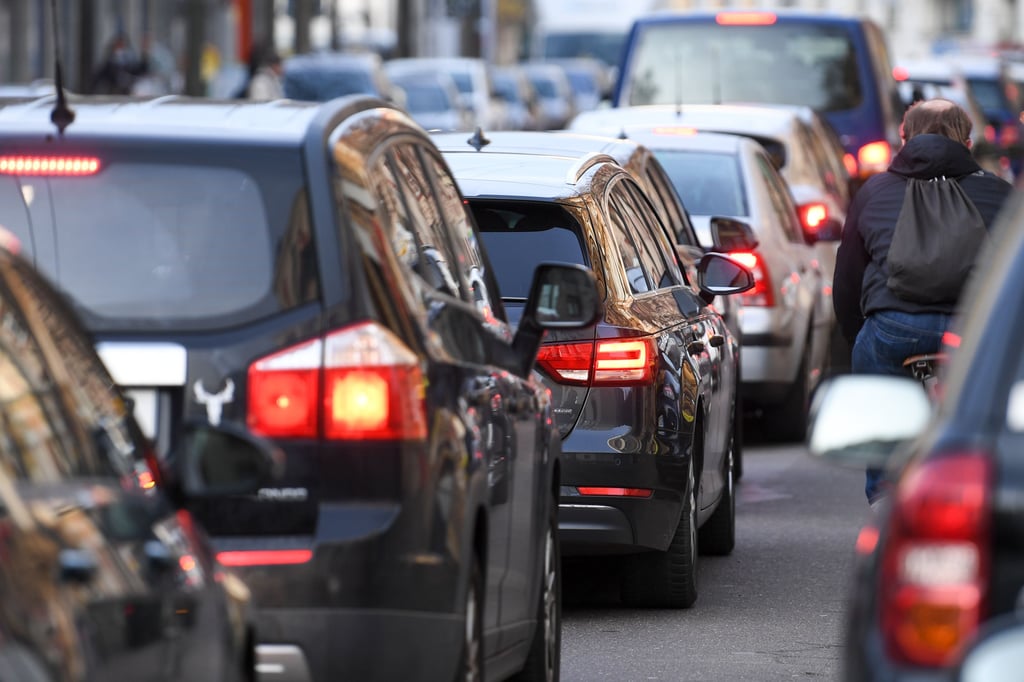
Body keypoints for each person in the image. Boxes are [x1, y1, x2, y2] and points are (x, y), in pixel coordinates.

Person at [832, 98, 1013, 505]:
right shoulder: (1000, 194)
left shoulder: (873, 191)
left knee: (881, 401)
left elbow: (846, 281)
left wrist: (855, 337)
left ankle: (883, 497)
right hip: (974, 332)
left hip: (896, 329)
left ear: (903, 138)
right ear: (968, 141)